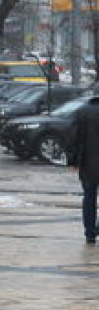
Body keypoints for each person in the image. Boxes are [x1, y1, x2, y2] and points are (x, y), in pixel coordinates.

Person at [68, 93, 99, 244]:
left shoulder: (82, 111)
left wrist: (73, 160)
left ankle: (90, 233)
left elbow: (74, 138)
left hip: (88, 164)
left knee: (89, 198)